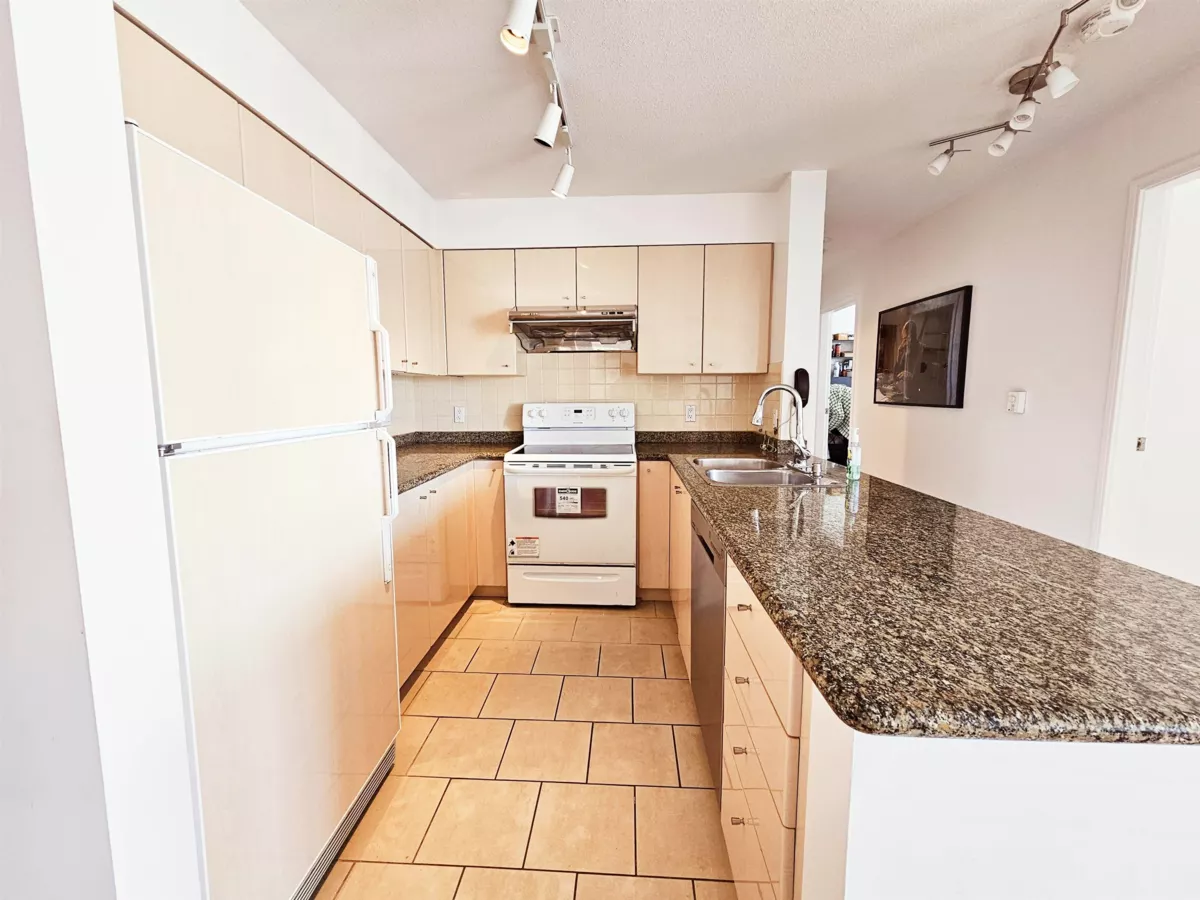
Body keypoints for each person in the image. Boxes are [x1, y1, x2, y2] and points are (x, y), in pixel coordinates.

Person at [826, 383, 852, 465]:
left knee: (850, 455)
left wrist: (826, 429)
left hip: (853, 423)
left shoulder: (830, 391)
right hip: (854, 421)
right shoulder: (834, 389)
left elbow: (839, 415)